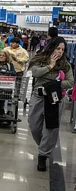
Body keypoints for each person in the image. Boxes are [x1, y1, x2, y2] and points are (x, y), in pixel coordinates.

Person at [28, 37, 73, 171]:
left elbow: (70, 82)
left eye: (63, 50)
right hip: (38, 97)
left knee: (50, 128)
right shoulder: (39, 59)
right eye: (58, 48)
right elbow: (35, 72)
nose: (60, 52)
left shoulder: (66, 65)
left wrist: (53, 85)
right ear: (51, 47)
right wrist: (50, 66)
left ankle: (43, 155)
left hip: (55, 99)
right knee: (34, 125)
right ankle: (44, 146)